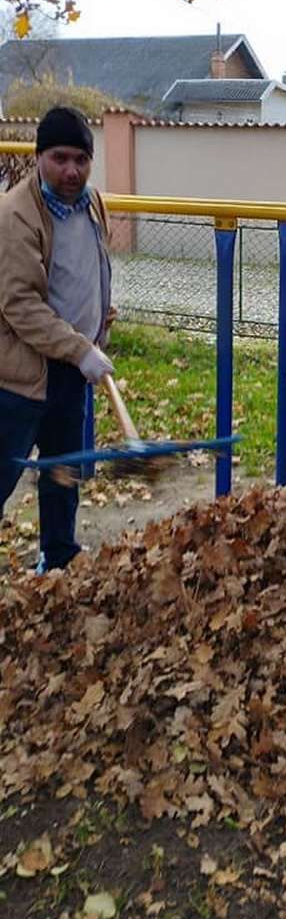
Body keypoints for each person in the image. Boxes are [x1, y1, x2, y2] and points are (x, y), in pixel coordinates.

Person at [0, 106, 114, 572]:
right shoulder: (14, 217)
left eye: (81, 160)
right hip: (21, 378)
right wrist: (79, 347)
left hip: (72, 368)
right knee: (3, 472)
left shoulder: (92, 203)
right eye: (60, 158)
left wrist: (100, 323)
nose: (72, 171)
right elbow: (20, 305)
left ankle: (59, 555)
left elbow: (90, 271)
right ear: (39, 157)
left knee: (63, 470)